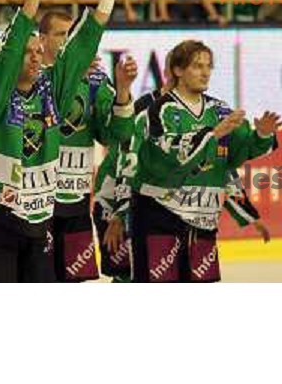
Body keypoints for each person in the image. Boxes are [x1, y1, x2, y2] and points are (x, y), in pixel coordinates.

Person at [0, 0, 125, 283]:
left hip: (39, 220)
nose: (38, 57)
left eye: (40, 51)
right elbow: (7, 53)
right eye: (30, 52)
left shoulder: (51, 90)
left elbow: (78, 51)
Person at [118, 40, 280, 282]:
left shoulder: (220, 110)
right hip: (158, 215)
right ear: (178, 70)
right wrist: (212, 136)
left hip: (202, 221)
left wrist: (261, 136)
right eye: (197, 66)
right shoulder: (158, 110)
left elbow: (234, 157)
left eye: (208, 66)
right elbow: (167, 155)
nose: (205, 72)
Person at [39, 10, 137, 282]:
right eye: (61, 35)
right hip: (35, 203)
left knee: (75, 282)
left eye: (72, 35)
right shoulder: (29, 78)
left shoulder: (94, 82)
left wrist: (123, 91)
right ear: (42, 39)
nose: (68, 42)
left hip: (76, 202)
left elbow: (114, 135)